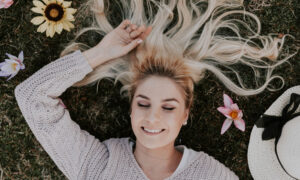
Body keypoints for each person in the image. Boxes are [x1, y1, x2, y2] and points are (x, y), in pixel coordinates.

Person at [15, 0, 296, 179]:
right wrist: (99, 54)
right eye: (144, 103)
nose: (153, 117)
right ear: (131, 107)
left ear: (186, 114)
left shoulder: (211, 175)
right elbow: (31, 97)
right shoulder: (97, 165)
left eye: (169, 107)